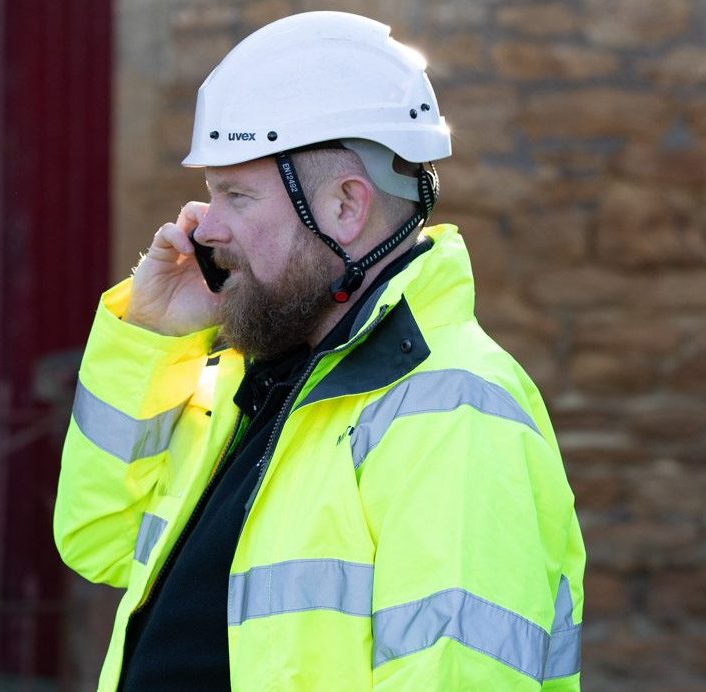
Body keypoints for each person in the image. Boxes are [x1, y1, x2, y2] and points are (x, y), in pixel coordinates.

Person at [54, 11, 585, 691]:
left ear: (343, 207)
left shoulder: (451, 407)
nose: (200, 226)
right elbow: (99, 538)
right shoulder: (262, 385)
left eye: (235, 196)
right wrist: (155, 337)